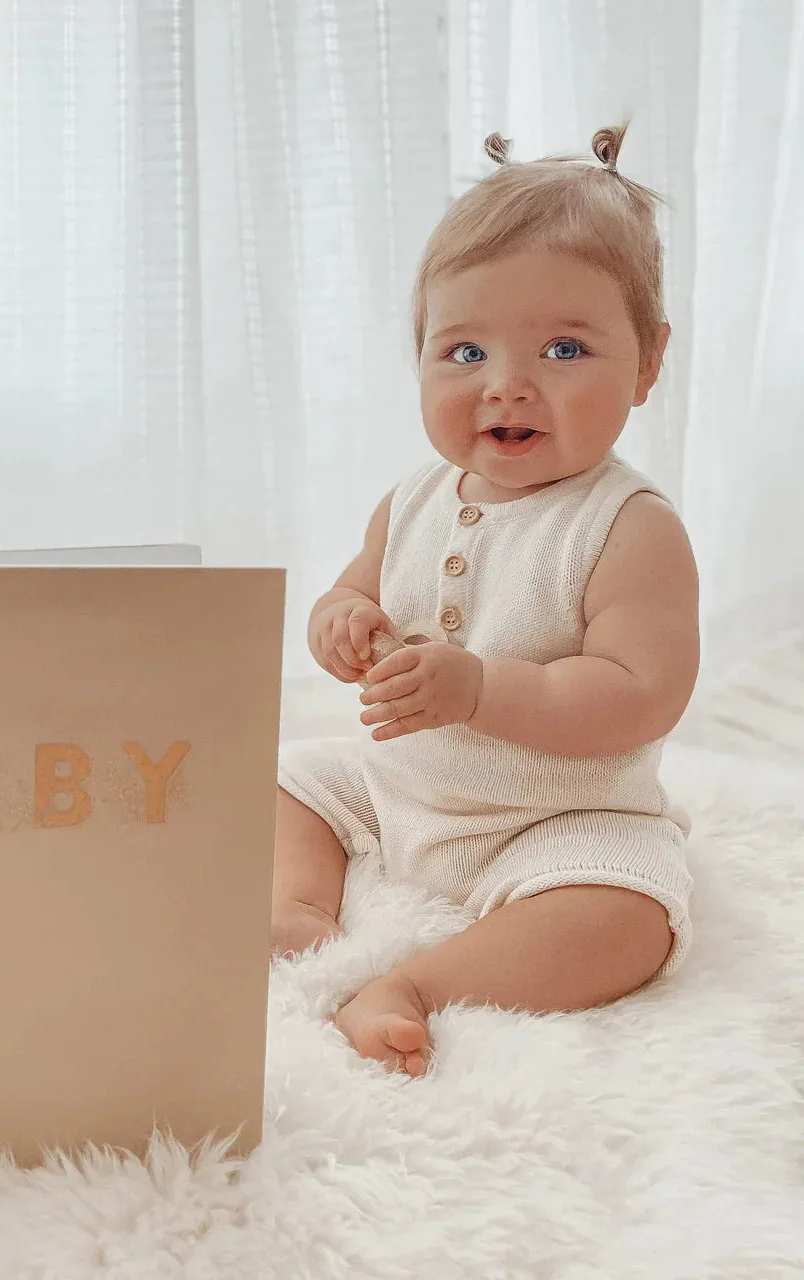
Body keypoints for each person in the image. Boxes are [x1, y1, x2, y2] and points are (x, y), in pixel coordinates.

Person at [272, 124, 699, 1078]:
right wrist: (341, 621)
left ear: (647, 361)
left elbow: (642, 693)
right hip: (404, 794)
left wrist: (478, 690)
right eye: (463, 351)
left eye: (562, 347)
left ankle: (417, 984)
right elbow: (356, 586)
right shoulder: (418, 495)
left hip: (555, 822)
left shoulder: (627, 525)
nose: (507, 385)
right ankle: (298, 913)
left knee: (631, 915)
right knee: (294, 776)